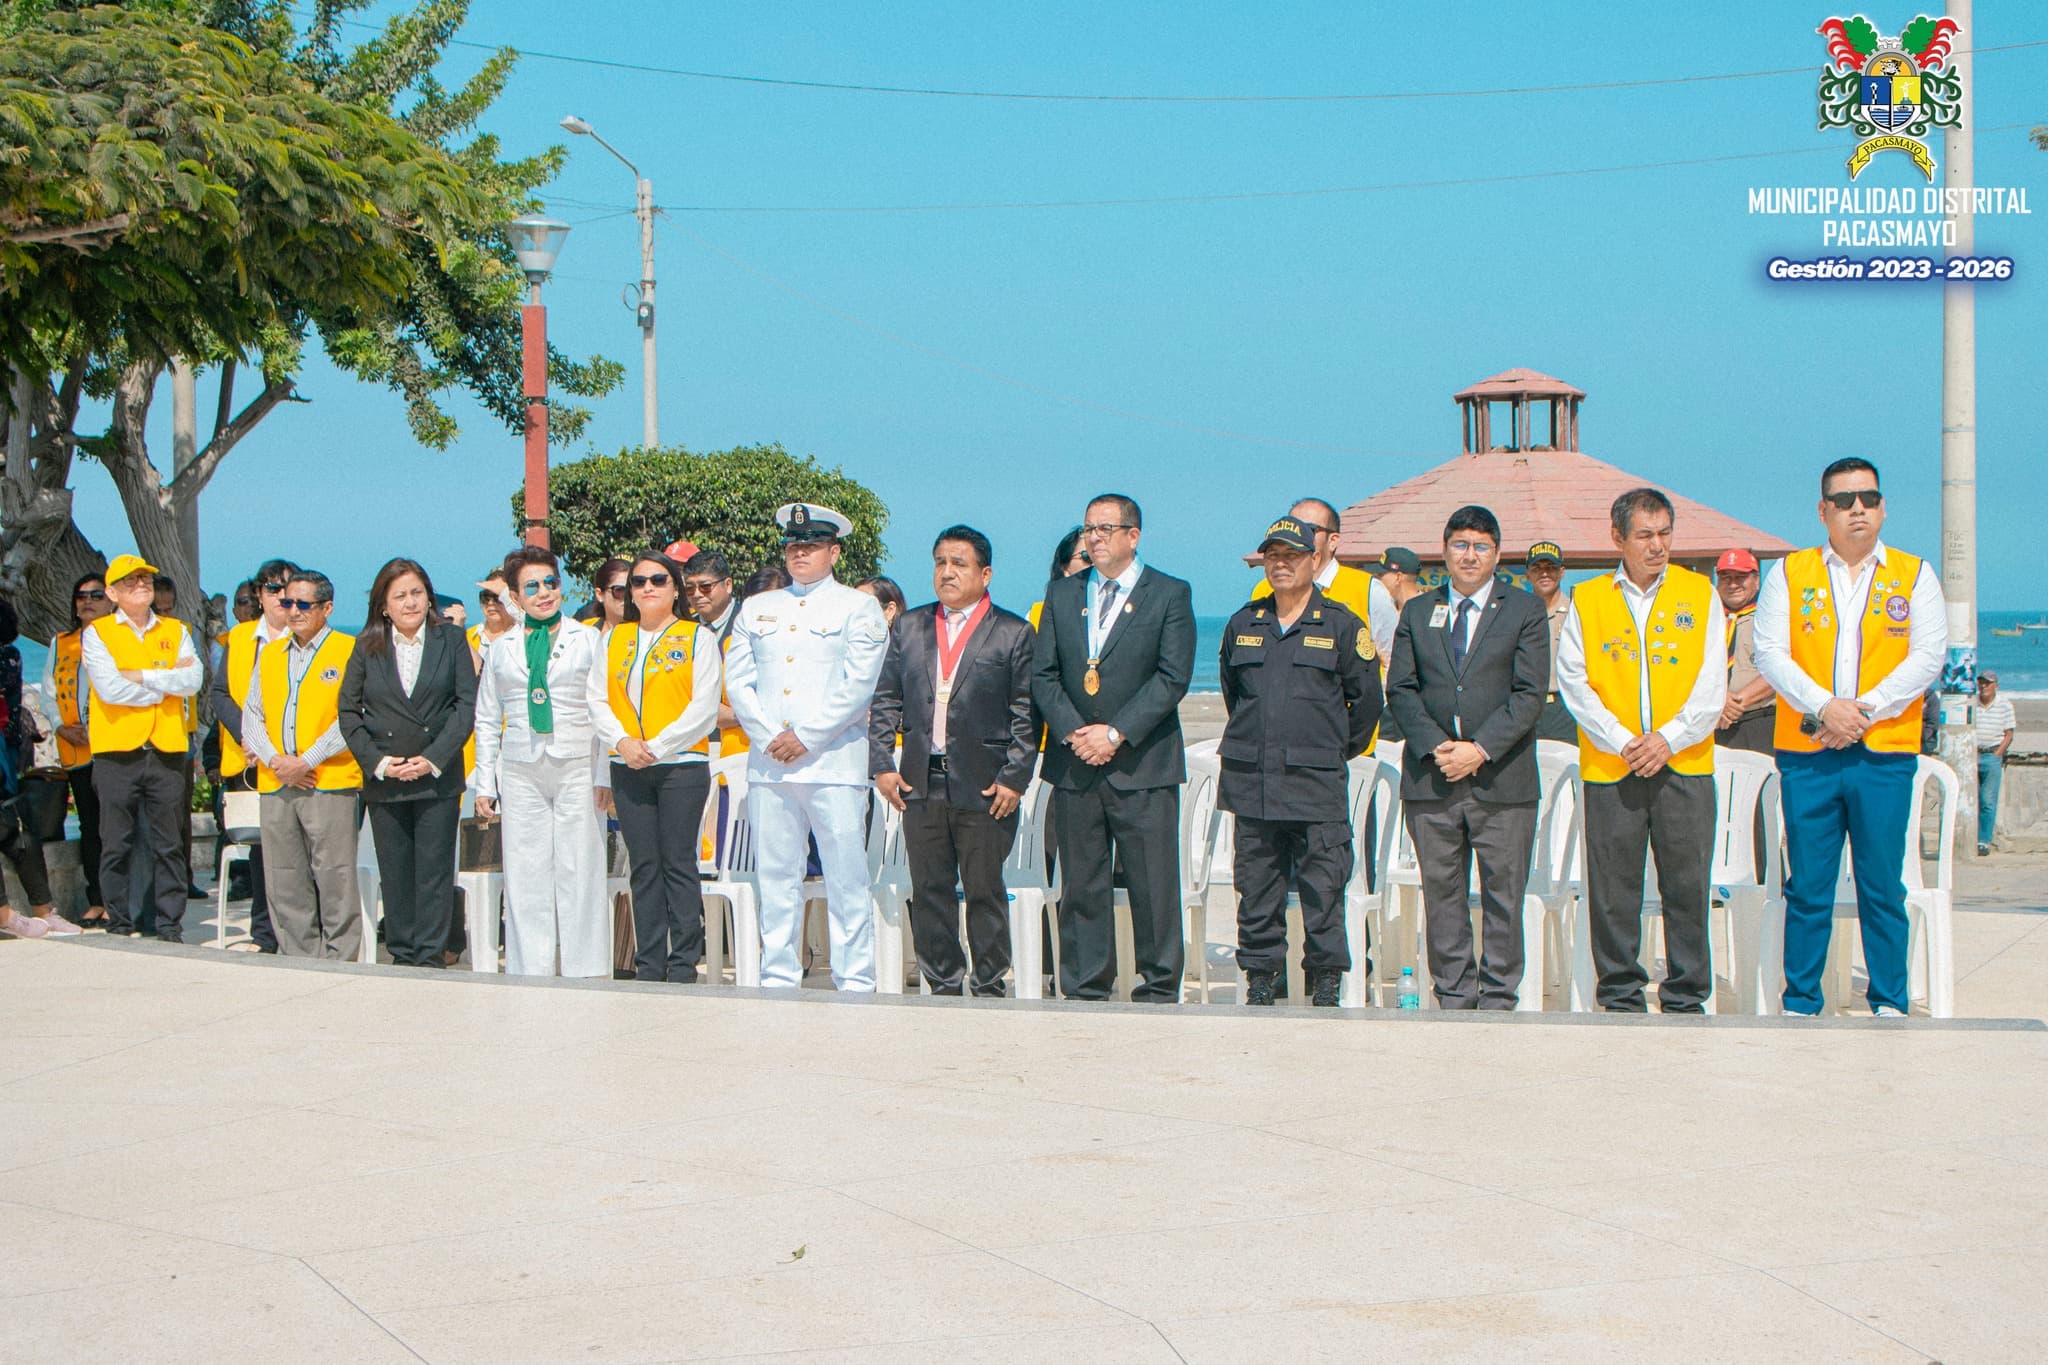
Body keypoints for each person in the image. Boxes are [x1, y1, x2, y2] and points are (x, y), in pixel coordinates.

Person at [1753, 457, 1946, 1018]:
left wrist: (1862, 711)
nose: (1856, 509)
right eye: (1843, 500)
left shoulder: (1915, 575)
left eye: (1867, 498)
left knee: (1882, 884)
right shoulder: (1790, 573)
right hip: (1808, 754)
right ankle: (1802, 1000)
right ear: (1823, 511)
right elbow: (1770, 652)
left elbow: (1928, 656)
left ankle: (1889, 999)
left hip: (1882, 754)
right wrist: (1824, 709)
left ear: (1883, 508)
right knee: (1808, 885)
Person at [1556, 489, 1726, 1014]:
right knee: (1613, 886)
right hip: (1613, 766)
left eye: (1665, 534)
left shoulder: (1701, 594)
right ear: (1618, 538)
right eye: (1645, 535)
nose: (1657, 546)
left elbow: (1711, 683)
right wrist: (1624, 741)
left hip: (1684, 763)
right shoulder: (1587, 598)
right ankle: (1620, 993)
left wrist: (1668, 739)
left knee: (1688, 883)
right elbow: (1574, 682)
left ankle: (1686, 993)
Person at [1032, 492, 1196, 1002]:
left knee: (1152, 884)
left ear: (1133, 535)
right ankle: (1084, 984)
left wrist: (1114, 733)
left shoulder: (1168, 593)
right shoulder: (1063, 595)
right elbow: (1045, 675)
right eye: (1088, 530)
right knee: (1082, 882)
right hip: (1076, 761)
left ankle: (1159, 985)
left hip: (1142, 761)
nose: (1094, 538)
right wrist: (1077, 735)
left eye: (1105, 529)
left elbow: (1172, 677)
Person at [1384, 507, 1549, 1009]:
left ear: (1497, 554)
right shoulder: (1417, 611)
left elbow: (1529, 693)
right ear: (1445, 550)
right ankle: (1454, 996)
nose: (1469, 554)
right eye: (1460, 544)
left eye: (1480, 545)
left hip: (1503, 779)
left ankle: (1498, 997)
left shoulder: (1524, 610)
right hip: (1432, 780)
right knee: (1443, 894)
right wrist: (1439, 748)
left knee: (1504, 896)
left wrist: (1478, 750)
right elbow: (1402, 690)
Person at [1219, 515, 1383, 1006]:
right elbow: (1235, 696)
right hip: (1254, 782)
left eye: (1292, 556)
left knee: (1324, 888)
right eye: (1273, 556)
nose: (1281, 565)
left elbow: (1368, 703)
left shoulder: (1340, 625)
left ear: (1315, 560)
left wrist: (1331, 749)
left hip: (1316, 785)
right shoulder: (1244, 624)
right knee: (1257, 889)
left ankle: (1326, 979)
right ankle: (1263, 977)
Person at [869, 525, 1038, 996]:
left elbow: (1026, 712)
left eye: (959, 563)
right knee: (930, 891)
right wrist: (882, 762)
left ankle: (989, 984)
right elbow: (886, 698)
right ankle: (942, 983)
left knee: (984, 890)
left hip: (986, 784)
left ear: (985, 574)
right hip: (921, 781)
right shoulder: (911, 625)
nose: (947, 572)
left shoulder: (1012, 632)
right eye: (940, 562)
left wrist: (1015, 778)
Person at [726, 504, 890, 990]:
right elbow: (738, 681)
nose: (800, 552)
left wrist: (806, 736)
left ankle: (855, 978)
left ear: (833, 551)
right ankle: (777, 975)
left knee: (845, 877)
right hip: (771, 764)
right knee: (776, 877)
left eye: (812, 545)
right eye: (793, 545)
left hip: (833, 762)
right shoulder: (757, 607)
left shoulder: (857, 607)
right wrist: (768, 735)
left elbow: (860, 684)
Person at [473, 547, 610, 978]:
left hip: (577, 762)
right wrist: (484, 784)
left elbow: (606, 709)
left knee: (580, 866)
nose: (544, 592)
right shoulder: (500, 647)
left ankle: (584, 968)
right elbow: (486, 716)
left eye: (551, 582)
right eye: (532, 586)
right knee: (526, 869)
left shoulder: (588, 639)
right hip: (520, 766)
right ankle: (528, 969)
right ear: (515, 596)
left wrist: (604, 773)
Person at [340, 559, 476, 968]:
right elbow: (349, 712)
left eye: (417, 592)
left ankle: (431, 956)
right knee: (396, 872)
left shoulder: (451, 640)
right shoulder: (366, 645)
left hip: (437, 776)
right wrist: (380, 763)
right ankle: (402, 953)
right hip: (387, 778)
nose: (410, 602)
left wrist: (432, 759)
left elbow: (465, 707)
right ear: (384, 605)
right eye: (399, 595)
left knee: (434, 872)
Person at [592, 550, 720, 982]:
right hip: (627, 764)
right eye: (639, 581)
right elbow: (596, 698)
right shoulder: (613, 638)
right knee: (643, 865)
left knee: (677, 863)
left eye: (658, 580)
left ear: (675, 588)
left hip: (681, 764)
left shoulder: (696, 637)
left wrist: (659, 745)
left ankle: (683, 962)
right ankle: (649, 963)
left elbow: (703, 708)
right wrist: (622, 742)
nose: (647, 588)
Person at [82, 554, 204, 941]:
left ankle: (168, 923)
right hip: (117, 750)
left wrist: (142, 676)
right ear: (113, 592)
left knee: (169, 843)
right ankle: (120, 922)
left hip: (166, 748)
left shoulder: (176, 628)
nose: (141, 584)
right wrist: (165, 682)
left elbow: (193, 680)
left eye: (146, 578)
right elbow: (109, 689)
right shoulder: (97, 633)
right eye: (131, 580)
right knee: (116, 842)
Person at [241, 571, 363, 959]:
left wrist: (306, 761)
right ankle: (299, 960)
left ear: (326, 608)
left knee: (335, 878)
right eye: (287, 602)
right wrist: (277, 761)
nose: (293, 611)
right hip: (277, 782)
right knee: (285, 879)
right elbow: (252, 714)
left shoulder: (349, 649)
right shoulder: (271, 653)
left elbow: (353, 716)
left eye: (303, 604)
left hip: (328, 780)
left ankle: (341, 961)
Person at [211, 558, 298, 952]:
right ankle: (264, 934)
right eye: (272, 588)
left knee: (296, 849)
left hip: (293, 758)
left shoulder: (306, 635)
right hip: (247, 761)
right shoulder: (241, 637)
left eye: (287, 588)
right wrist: (248, 733)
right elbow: (220, 693)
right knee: (262, 851)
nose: (280, 597)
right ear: (259, 595)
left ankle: (297, 933)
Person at [37, 574, 112, 929]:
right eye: (81, 596)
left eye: (96, 595)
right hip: (77, 748)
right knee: (90, 823)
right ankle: (96, 898)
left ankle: (119, 898)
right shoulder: (61, 642)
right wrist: (60, 725)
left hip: (113, 745)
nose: (88, 601)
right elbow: (48, 691)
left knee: (117, 826)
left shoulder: (119, 640)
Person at [1248, 497, 1397, 662]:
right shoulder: (1264, 589)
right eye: (1292, 529)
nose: (1298, 536)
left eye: (1308, 529)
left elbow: (1392, 659)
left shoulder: (1368, 589)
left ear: (1333, 541)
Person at [0, 595, 68, 936]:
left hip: (4, 762)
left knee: (18, 832)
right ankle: (10, 916)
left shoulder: (7, 658)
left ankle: (39, 910)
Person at [1713, 549, 1776, 753]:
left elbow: (1781, 670)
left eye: (1741, 577)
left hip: (1760, 721)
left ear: (1756, 580)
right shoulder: (1705, 619)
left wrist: (1734, 704)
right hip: (1713, 723)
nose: (1733, 584)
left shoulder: (1772, 617)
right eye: (1726, 577)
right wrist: (1718, 701)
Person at [1524, 541, 1577, 743]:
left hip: (1565, 707)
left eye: (1551, 568)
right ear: (1527, 574)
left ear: (1562, 572)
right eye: (1537, 568)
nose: (1544, 574)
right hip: (1528, 707)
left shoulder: (1576, 613)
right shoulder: (1518, 614)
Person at [1975, 670, 2015, 856]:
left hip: (1991, 755)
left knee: (1987, 800)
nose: (1984, 686)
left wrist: (1998, 753)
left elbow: (2009, 733)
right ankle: (1969, 837)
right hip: (1972, 755)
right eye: (1981, 682)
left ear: (1995, 686)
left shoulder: (2004, 705)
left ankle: (1983, 840)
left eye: (1988, 683)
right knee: (1970, 800)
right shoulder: (1971, 702)